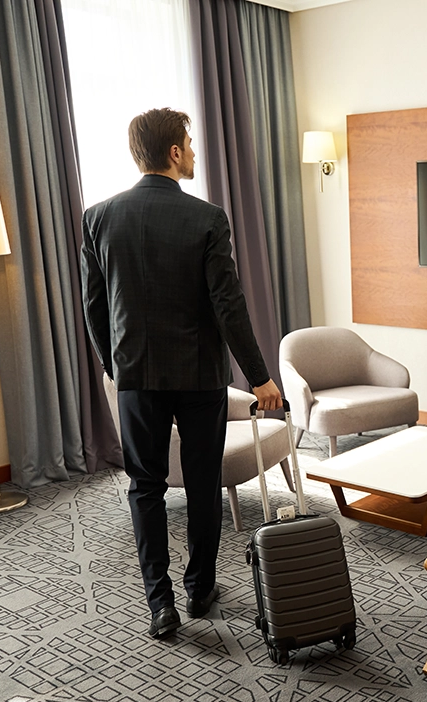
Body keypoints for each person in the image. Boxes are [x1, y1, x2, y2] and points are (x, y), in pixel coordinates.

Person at [81, 107, 282, 639]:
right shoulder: (207, 218)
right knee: (200, 483)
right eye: (189, 144)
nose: (193, 152)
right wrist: (260, 377)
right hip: (199, 378)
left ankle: (159, 603)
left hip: (137, 376)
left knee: (144, 487)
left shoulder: (99, 217)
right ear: (174, 152)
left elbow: (94, 307)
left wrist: (115, 364)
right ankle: (199, 588)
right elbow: (228, 307)